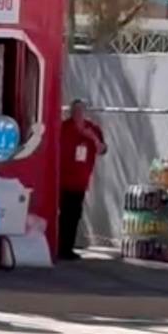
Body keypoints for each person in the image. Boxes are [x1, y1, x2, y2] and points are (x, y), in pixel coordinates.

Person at [57, 99, 107, 260]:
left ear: (85, 112)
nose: (77, 113)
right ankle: (60, 247)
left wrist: (92, 138)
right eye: (74, 110)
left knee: (74, 214)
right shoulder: (63, 128)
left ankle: (68, 247)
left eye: (80, 110)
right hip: (63, 179)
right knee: (64, 214)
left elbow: (102, 150)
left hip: (80, 181)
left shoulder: (93, 129)